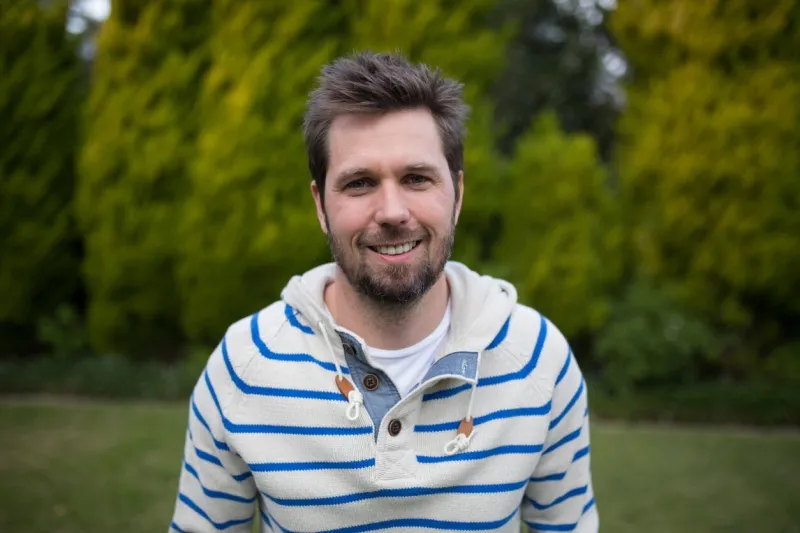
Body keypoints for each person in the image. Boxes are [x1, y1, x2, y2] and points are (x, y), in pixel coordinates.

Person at [168, 50, 598, 533]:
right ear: (320, 205)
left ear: (457, 194)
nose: (392, 211)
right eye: (359, 183)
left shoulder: (539, 359)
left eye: (416, 178)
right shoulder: (245, 365)